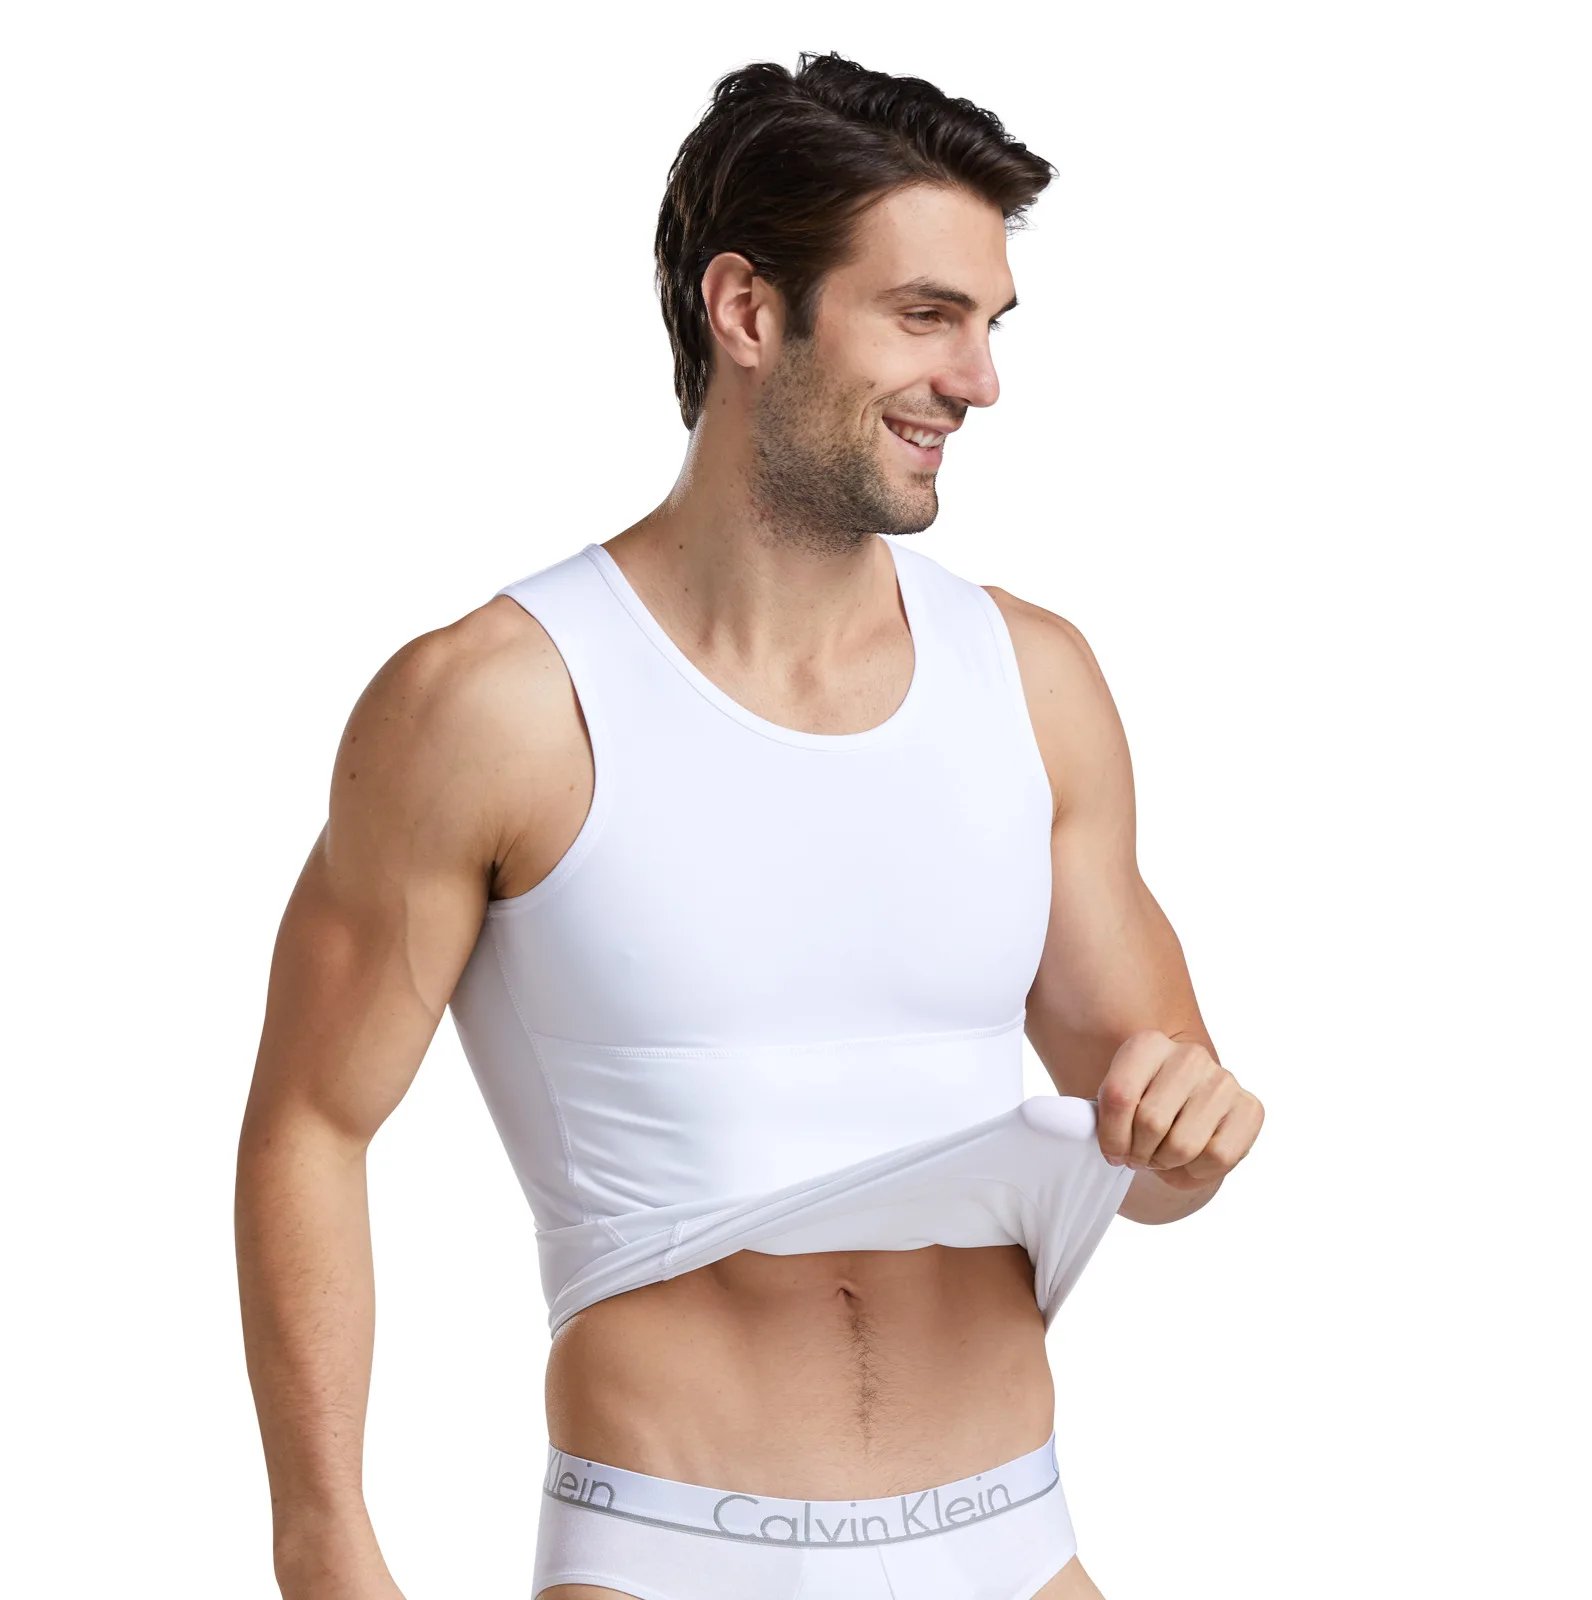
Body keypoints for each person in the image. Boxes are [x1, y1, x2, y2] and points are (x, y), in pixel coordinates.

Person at [235, 50, 1264, 1600]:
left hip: (1017, 1540)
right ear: (747, 311)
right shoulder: (499, 704)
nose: (978, 381)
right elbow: (312, 1124)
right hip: (668, 1552)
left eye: (988, 325)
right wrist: (325, 1548)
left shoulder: (1035, 683)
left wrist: (1191, 1128)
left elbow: (1162, 1141)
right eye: (925, 315)